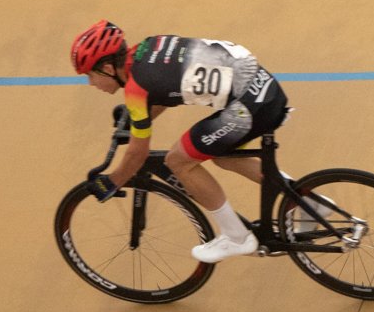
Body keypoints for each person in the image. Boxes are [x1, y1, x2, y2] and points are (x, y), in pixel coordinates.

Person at [71, 21, 294, 263]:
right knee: (220, 154)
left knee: (178, 160)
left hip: (248, 107)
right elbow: (165, 93)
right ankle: (306, 198)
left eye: (91, 76)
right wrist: (136, 120)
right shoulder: (148, 48)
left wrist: (112, 183)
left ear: (107, 68)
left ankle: (237, 237)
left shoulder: (136, 90)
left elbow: (137, 155)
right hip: (265, 89)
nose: (91, 84)